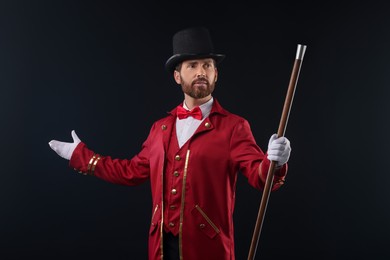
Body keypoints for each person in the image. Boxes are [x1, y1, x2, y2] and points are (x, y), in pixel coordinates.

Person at [48, 27, 291, 260]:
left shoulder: (234, 127)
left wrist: (275, 161)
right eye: (192, 65)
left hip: (207, 248)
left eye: (207, 65)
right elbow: (131, 172)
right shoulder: (160, 128)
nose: (200, 72)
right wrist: (80, 155)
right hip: (161, 247)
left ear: (216, 74)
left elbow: (261, 178)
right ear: (178, 76)